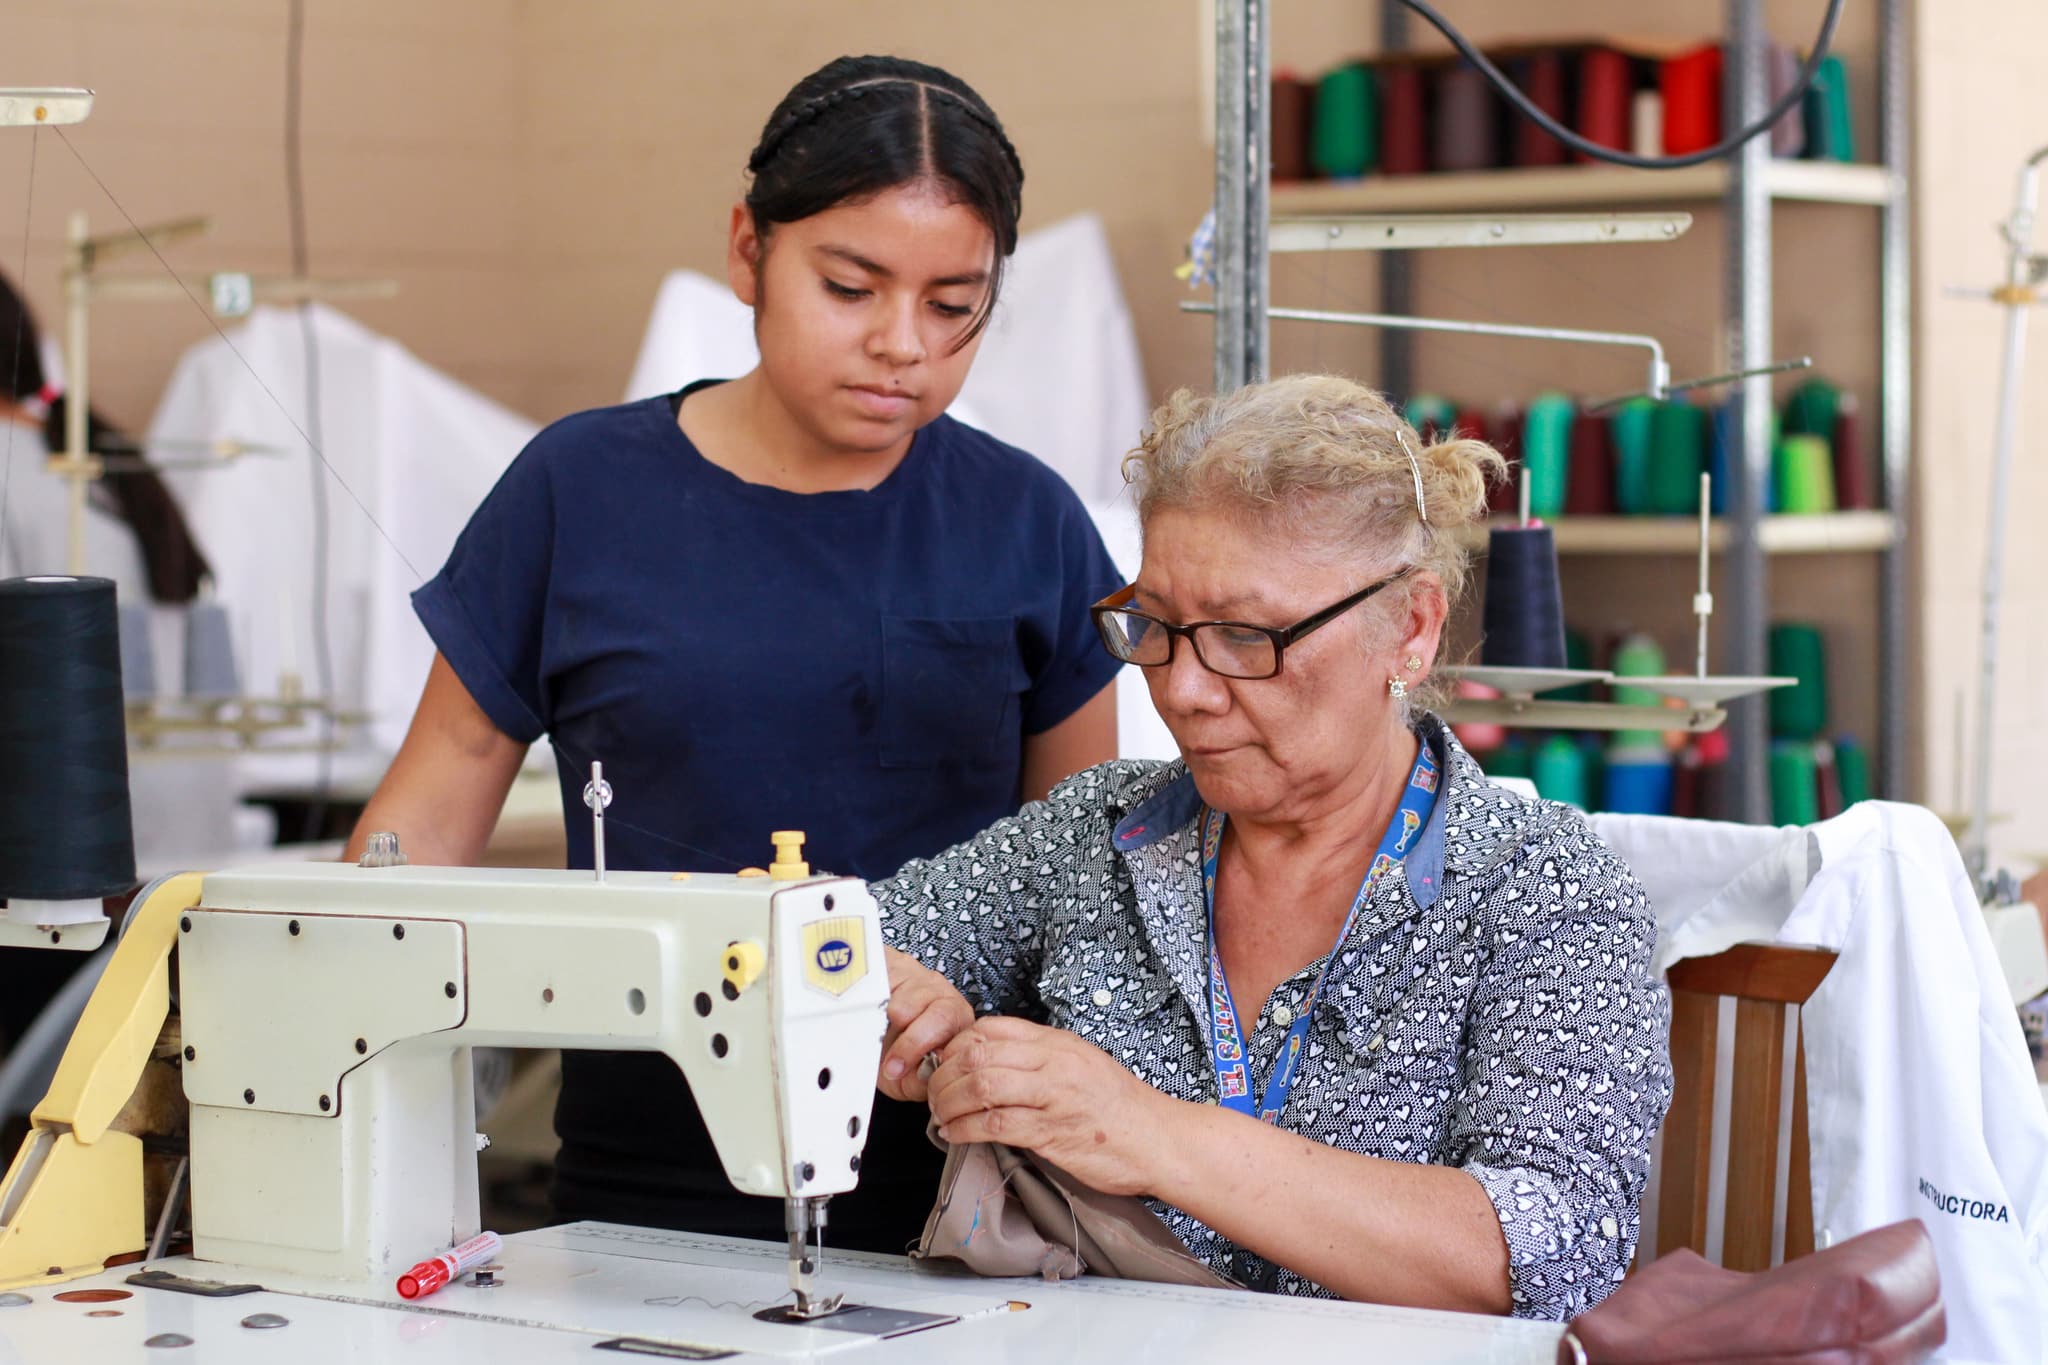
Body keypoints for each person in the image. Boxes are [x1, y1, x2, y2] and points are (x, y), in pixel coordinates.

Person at [344, 56, 1124, 1253]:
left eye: (952, 304)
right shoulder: (579, 490)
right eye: (851, 287)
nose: (900, 346)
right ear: (748, 252)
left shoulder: (1027, 524)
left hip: (961, 1190)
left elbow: (1086, 883)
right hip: (637, 1181)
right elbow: (425, 822)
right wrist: (343, 1071)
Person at [876, 374, 1672, 1318]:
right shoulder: (1097, 836)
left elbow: (1549, 1251)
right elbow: (807, 937)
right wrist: (882, 985)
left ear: (1410, 629)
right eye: (1159, 627)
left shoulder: (1543, 889)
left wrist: (1150, 1132)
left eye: (1248, 638)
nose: (1183, 691)